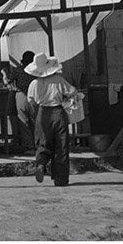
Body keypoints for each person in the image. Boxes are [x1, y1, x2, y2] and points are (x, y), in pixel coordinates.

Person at [25, 52, 78, 186]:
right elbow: (72, 91)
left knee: (43, 143)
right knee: (61, 145)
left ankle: (41, 163)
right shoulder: (58, 80)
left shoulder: (34, 84)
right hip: (58, 113)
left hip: (42, 113)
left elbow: (30, 101)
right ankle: (61, 179)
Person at [2, 50, 36, 150]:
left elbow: (8, 82)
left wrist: (4, 73)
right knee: (35, 121)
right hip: (35, 96)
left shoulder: (19, 70)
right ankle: (38, 144)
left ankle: (29, 144)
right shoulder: (37, 70)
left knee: (23, 121)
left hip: (22, 96)